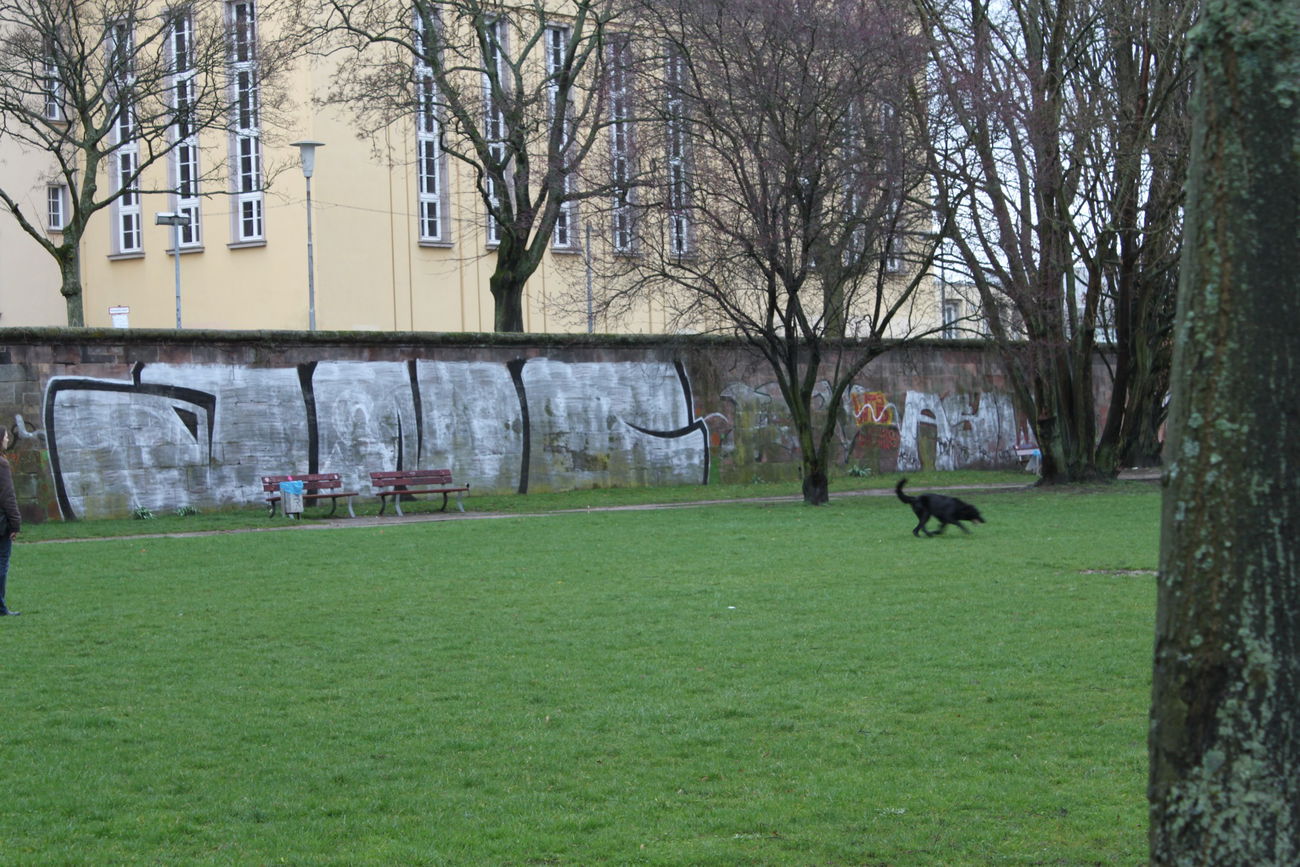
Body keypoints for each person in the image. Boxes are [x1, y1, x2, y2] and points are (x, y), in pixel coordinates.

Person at [0, 427, 21, 616]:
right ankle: (0, 607)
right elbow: (7, 496)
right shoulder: (2, 464)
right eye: (6, 437)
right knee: (2, 563)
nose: (7, 439)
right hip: (1, 525)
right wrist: (15, 524)